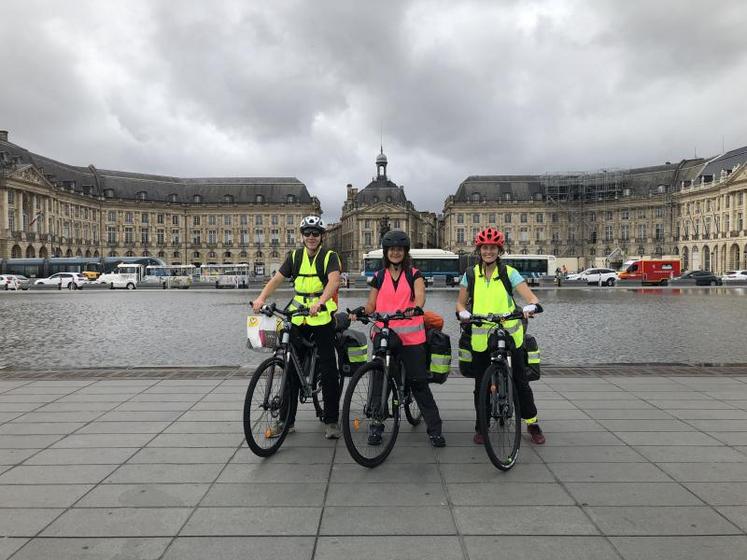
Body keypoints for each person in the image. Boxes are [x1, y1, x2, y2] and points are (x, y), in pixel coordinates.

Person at [350, 230, 446, 447]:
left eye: (399, 249)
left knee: (419, 382)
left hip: (411, 337)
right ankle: (377, 423)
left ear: (405, 252)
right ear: (386, 252)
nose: (395, 253)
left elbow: (420, 296)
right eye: (392, 249)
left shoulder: (415, 274)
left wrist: (415, 308)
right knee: (378, 378)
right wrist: (362, 311)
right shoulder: (379, 276)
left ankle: (434, 429)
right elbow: (372, 304)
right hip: (384, 333)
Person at [252, 215, 342, 440]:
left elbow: (333, 281)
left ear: (322, 236)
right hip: (298, 311)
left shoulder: (329, 256)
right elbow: (277, 279)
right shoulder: (294, 256)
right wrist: (261, 298)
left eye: (316, 233)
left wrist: (321, 302)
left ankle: (331, 420)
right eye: (308, 233)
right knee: (290, 367)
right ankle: (286, 421)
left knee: (330, 369)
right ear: (302, 236)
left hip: (320, 314)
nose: (311, 237)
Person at [456, 226, 546, 445]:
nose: (489, 252)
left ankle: (532, 423)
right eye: (485, 248)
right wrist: (464, 312)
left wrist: (532, 307)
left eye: (493, 248)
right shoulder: (470, 274)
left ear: (499, 250)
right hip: (480, 334)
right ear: (479, 250)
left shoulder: (509, 273)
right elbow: (460, 302)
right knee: (481, 385)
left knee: (520, 382)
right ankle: (482, 424)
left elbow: (530, 297)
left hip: (508, 332)